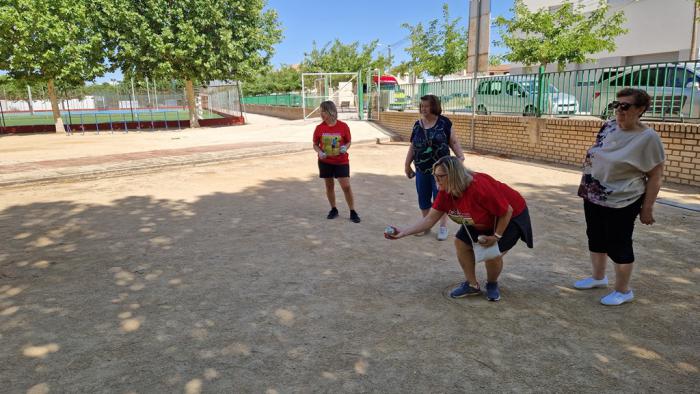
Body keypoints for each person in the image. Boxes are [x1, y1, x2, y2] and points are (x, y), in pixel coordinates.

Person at [387, 156, 534, 301]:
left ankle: (492, 284)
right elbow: (430, 219)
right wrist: (402, 232)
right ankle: (472, 285)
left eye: (440, 177)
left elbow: (506, 211)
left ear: (454, 175)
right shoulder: (446, 191)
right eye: (435, 176)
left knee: (492, 254)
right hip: (480, 218)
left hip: (510, 216)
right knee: (460, 243)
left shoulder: (479, 187)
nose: (436, 181)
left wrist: (496, 236)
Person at [575, 88, 665, 306]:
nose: (619, 110)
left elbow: (656, 175)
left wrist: (647, 208)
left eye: (626, 106)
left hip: (622, 199)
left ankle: (623, 291)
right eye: (617, 105)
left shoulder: (648, 138)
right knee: (595, 236)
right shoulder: (610, 126)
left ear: (640, 109)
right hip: (594, 194)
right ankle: (598, 278)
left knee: (618, 243)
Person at [404, 95, 465, 241]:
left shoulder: (444, 123)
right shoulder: (417, 125)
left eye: (426, 106)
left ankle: (443, 227)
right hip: (421, 169)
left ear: (434, 106)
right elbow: (413, 146)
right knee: (423, 197)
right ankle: (426, 224)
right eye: (422, 106)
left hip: (442, 171)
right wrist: (407, 164)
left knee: (441, 198)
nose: (423, 108)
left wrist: (460, 157)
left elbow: (453, 142)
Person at [313, 101, 361, 223]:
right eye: (321, 111)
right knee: (329, 186)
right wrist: (319, 152)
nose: (321, 114)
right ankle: (333, 209)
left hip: (341, 161)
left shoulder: (343, 126)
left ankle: (352, 211)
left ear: (331, 111)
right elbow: (315, 144)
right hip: (325, 161)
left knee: (346, 186)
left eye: (324, 111)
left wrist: (346, 147)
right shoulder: (319, 128)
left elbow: (348, 141)